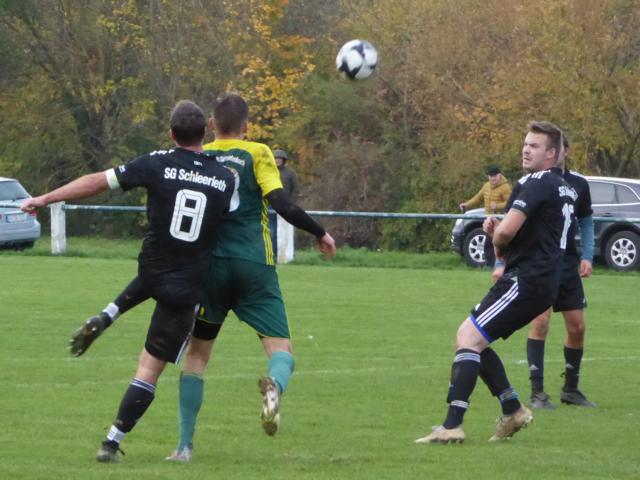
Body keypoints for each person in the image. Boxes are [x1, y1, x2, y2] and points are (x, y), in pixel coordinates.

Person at [68, 93, 336, 462]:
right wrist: (320, 232)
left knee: (196, 357)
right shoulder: (258, 152)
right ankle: (275, 384)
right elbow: (281, 203)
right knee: (281, 350)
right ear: (246, 126)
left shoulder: (203, 156)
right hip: (254, 265)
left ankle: (184, 447)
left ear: (211, 125)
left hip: (208, 269)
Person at [21, 100, 237, 462]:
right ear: (207, 131)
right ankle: (111, 442)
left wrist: (45, 198)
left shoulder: (156, 162)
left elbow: (96, 183)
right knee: (149, 369)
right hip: (186, 284)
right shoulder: (226, 178)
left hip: (152, 267)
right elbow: (231, 224)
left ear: (171, 133)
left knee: (152, 277)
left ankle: (109, 313)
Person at [415, 121, 576, 444]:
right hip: (544, 281)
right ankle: (512, 408)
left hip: (526, 278)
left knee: (468, 338)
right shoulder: (564, 187)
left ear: (551, 154)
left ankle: (452, 425)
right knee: (475, 339)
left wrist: (498, 242)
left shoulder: (536, 182)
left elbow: (507, 232)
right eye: (525, 143)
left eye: (534, 146)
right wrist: (502, 230)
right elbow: (536, 232)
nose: (526, 150)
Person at [494, 136, 596, 409]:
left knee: (577, 327)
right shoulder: (529, 183)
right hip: (539, 265)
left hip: (567, 264)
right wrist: (499, 265)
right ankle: (537, 393)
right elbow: (508, 226)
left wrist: (587, 255)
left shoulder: (578, 184)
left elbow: (586, 221)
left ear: (564, 151)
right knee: (540, 323)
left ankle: (570, 390)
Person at [459, 166, 512, 266]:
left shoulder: (505, 187)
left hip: (500, 220)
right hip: (488, 220)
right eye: (490, 176)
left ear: (499, 175)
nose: (492, 178)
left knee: (497, 243)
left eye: (494, 176)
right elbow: (477, 198)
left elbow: (511, 203)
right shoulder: (486, 186)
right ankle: (490, 264)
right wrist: (466, 205)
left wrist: (497, 206)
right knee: (488, 243)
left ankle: (500, 264)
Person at [269, 149, 300, 253]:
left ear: (283, 160)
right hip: (270, 205)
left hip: (286, 206)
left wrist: (291, 204)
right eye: (275, 158)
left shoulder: (290, 173)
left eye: (279, 159)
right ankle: (273, 254)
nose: (277, 160)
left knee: (286, 232)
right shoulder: (268, 171)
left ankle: (287, 255)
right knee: (271, 231)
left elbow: (295, 189)